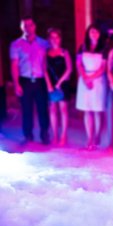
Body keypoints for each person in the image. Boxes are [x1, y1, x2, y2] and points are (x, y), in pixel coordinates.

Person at [10, 16, 50, 144]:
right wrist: (16, 84)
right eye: (25, 25)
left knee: (43, 108)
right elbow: (14, 65)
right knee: (26, 109)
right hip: (25, 80)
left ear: (35, 26)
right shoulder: (16, 44)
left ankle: (44, 133)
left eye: (30, 25)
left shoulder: (44, 44)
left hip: (40, 80)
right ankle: (28, 135)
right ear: (21, 27)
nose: (28, 27)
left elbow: (48, 63)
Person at [76, 24, 108, 150]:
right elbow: (79, 64)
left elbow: (103, 67)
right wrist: (85, 77)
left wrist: (92, 77)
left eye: (96, 32)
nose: (94, 34)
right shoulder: (82, 47)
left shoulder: (104, 48)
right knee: (87, 109)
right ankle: (89, 136)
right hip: (84, 79)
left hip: (98, 80)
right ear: (88, 33)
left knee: (97, 110)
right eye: (91, 32)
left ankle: (97, 136)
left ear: (99, 34)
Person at [46, 28, 72, 146]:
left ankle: (63, 135)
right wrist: (49, 85)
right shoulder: (46, 52)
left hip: (62, 83)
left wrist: (59, 83)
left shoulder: (64, 52)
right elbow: (44, 69)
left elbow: (69, 69)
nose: (54, 40)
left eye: (56, 37)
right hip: (51, 84)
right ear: (49, 39)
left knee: (63, 109)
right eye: (52, 37)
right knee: (52, 109)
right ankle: (55, 135)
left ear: (60, 39)